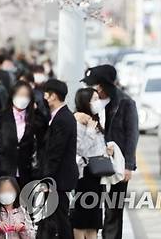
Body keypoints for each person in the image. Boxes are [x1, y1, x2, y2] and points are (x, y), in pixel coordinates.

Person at [81, 65, 138, 239]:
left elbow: (132, 134)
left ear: (102, 85)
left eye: (94, 85)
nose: (91, 89)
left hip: (117, 165)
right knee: (91, 206)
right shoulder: (89, 103)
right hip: (93, 164)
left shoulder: (125, 103)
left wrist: (128, 165)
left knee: (114, 209)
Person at [71, 88, 111, 239]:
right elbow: (79, 149)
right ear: (84, 102)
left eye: (97, 98)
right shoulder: (79, 121)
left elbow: (97, 145)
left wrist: (107, 150)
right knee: (81, 218)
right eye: (93, 99)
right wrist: (89, 131)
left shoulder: (94, 120)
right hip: (84, 174)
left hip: (96, 175)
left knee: (94, 219)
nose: (97, 102)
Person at [0, 81, 48, 190]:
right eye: (19, 95)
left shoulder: (35, 118)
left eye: (26, 96)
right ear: (12, 95)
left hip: (28, 172)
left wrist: (37, 110)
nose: (22, 98)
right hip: (4, 171)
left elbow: (43, 138)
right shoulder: (1, 117)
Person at [41, 79, 78, 239]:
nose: (44, 97)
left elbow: (55, 153)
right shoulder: (60, 116)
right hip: (59, 178)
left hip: (59, 179)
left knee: (60, 219)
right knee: (57, 217)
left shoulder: (62, 119)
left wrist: (48, 180)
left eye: (46, 94)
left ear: (53, 96)